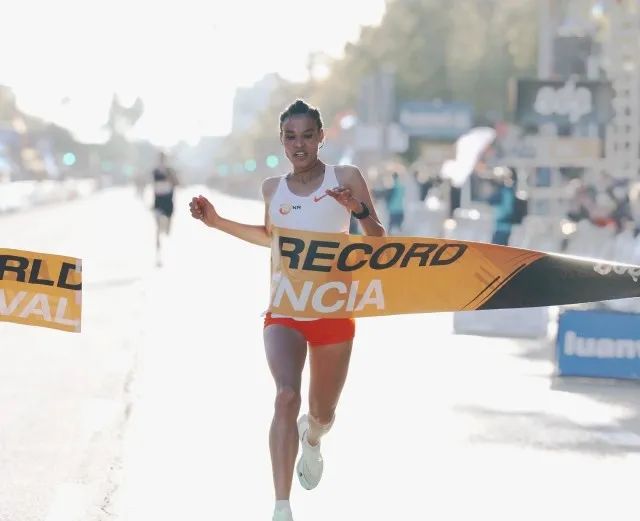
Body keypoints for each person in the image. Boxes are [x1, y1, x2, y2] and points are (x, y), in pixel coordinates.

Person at [189, 99, 385, 521]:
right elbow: (270, 237)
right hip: (286, 310)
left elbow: (378, 242)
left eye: (307, 135)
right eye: (290, 136)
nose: (299, 145)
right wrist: (217, 222)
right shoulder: (271, 188)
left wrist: (359, 210)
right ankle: (282, 507)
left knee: (322, 414)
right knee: (285, 396)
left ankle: (312, 439)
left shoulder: (345, 177)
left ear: (321, 138)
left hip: (332, 312)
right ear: (282, 140)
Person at [152, 151, 179, 266]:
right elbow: (153, 186)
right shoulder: (155, 171)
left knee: (167, 231)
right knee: (157, 229)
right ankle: (158, 255)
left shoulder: (170, 171)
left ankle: (166, 228)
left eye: (163, 158)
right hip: (158, 204)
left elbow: (178, 183)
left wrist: (170, 177)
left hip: (168, 203)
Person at [488, 166, 516, 245]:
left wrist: (502, 218)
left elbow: (508, 209)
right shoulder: (503, 191)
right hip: (499, 227)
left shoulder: (506, 192)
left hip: (503, 228)